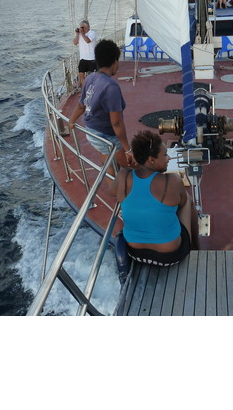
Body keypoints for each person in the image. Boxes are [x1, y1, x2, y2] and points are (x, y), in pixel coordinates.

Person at [109, 130, 201, 266]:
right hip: (170, 256)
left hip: (135, 253)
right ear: (151, 160)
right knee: (186, 200)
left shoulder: (124, 175)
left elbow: (112, 192)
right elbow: (181, 203)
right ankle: (196, 248)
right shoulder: (172, 181)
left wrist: (133, 168)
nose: (168, 158)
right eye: (164, 155)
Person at [68, 39, 135, 170]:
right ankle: (122, 186)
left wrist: (71, 121)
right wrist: (128, 149)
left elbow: (81, 105)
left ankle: (112, 182)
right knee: (131, 165)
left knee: (108, 160)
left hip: (91, 132)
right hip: (105, 135)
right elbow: (116, 123)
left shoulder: (90, 78)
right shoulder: (111, 87)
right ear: (115, 61)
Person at [73, 19, 97, 89]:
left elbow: (88, 41)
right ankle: (85, 90)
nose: (81, 29)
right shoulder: (80, 35)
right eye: (80, 27)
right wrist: (78, 34)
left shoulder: (92, 33)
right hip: (83, 58)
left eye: (83, 27)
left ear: (88, 27)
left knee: (93, 76)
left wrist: (82, 34)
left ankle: (94, 90)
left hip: (91, 58)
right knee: (81, 75)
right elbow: (75, 43)